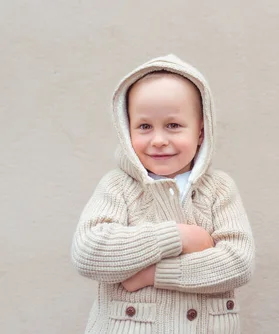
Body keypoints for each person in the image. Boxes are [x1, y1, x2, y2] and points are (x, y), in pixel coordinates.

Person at [70, 54, 255, 334]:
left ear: (201, 133)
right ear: (126, 129)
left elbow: (238, 262)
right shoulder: (118, 186)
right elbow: (89, 251)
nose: (158, 140)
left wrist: (153, 274)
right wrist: (180, 237)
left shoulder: (219, 188)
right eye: (144, 126)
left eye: (173, 125)